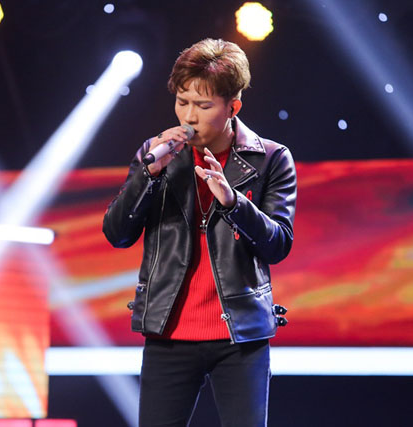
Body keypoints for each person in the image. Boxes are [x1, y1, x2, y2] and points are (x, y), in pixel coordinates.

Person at [103, 38, 297, 427]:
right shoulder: (156, 154)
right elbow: (117, 233)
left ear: (232, 107)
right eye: (182, 102)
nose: (189, 116)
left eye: (203, 106)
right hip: (169, 333)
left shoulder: (271, 158)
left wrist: (233, 202)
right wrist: (148, 176)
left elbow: (278, 245)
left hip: (240, 337)